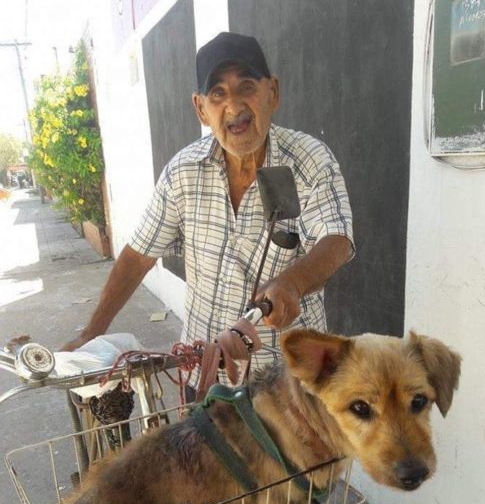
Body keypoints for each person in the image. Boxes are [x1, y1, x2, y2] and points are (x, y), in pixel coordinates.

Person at [62, 32, 355, 392]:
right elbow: (139, 255)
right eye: (217, 93)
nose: (233, 105)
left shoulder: (310, 161)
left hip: (288, 387)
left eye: (246, 86)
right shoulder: (183, 172)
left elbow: (336, 240)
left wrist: (292, 282)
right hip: (204, 373)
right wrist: (91, 334)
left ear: (272, 93)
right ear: (201, 108)